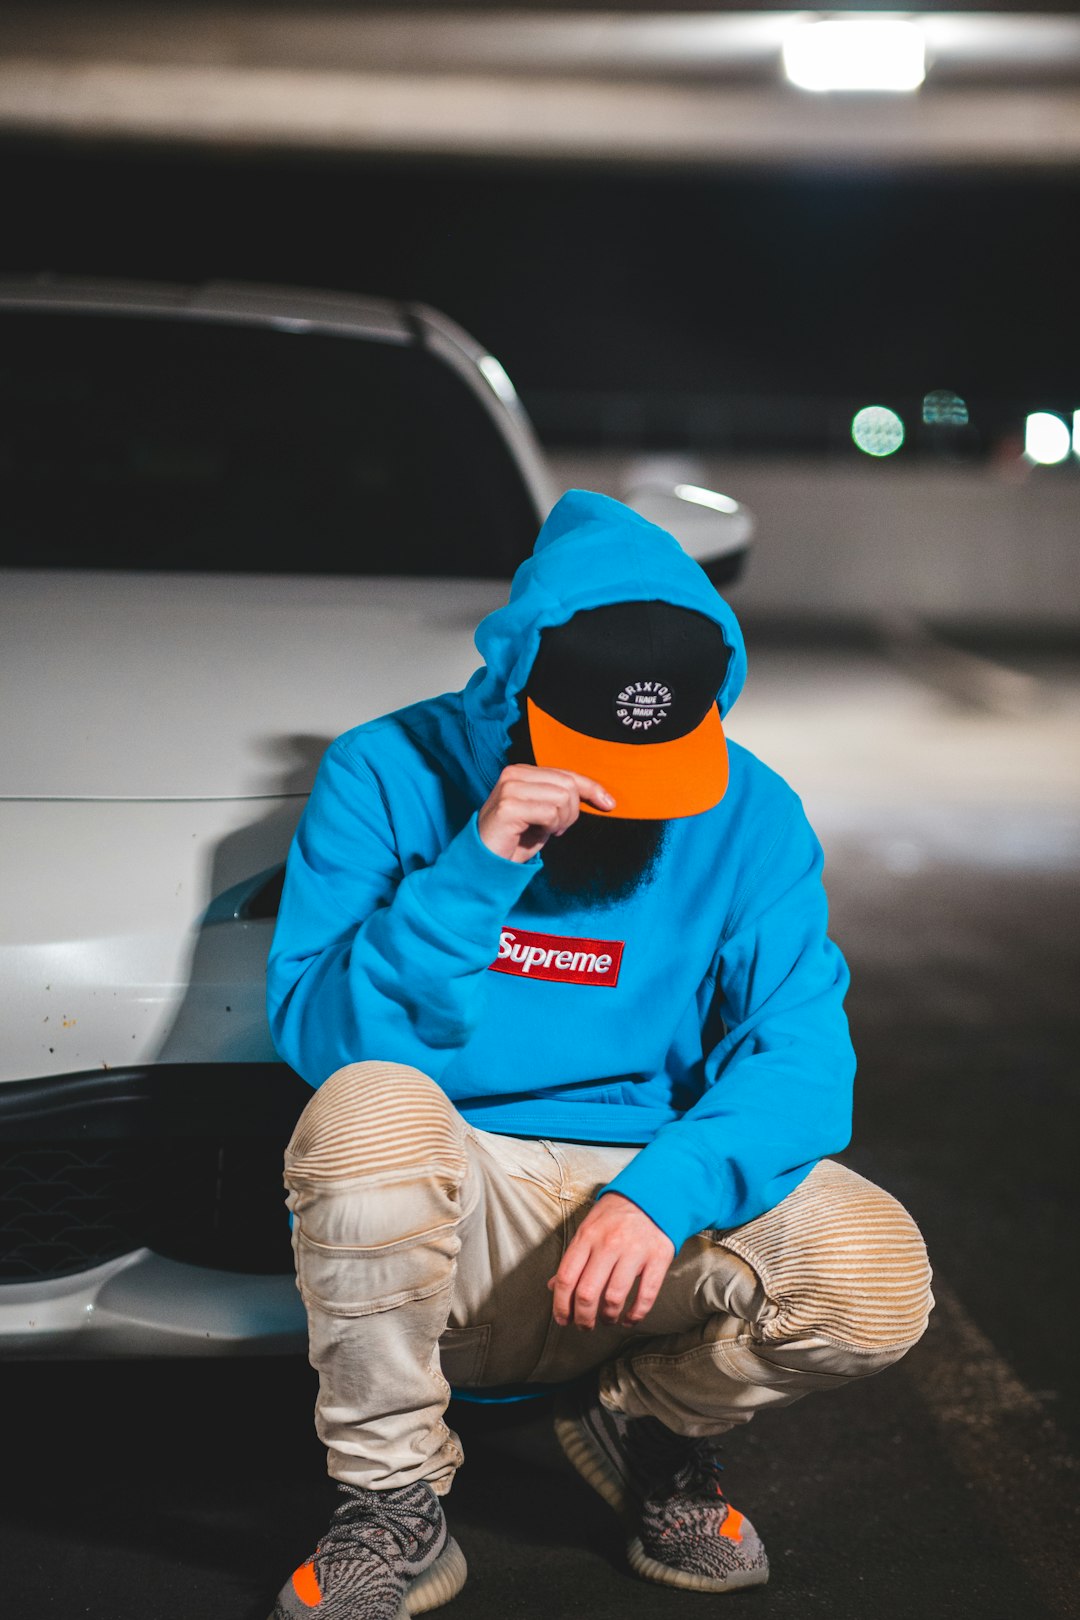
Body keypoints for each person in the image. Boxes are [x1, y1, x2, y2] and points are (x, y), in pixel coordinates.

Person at [265, 489, 932, 1618]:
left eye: (660, 761)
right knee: (367, 1104)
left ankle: (649, 1424)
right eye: (594, 762)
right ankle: (395, 1503)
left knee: (875, 1277)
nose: (625, 801)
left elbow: (804, 1056)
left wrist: (664, 1194)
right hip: (458, 1199)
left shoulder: (753, 812)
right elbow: (325, 1039)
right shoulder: (384, 774)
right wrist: (477, 871)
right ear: (513, 687)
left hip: (646, 1202)